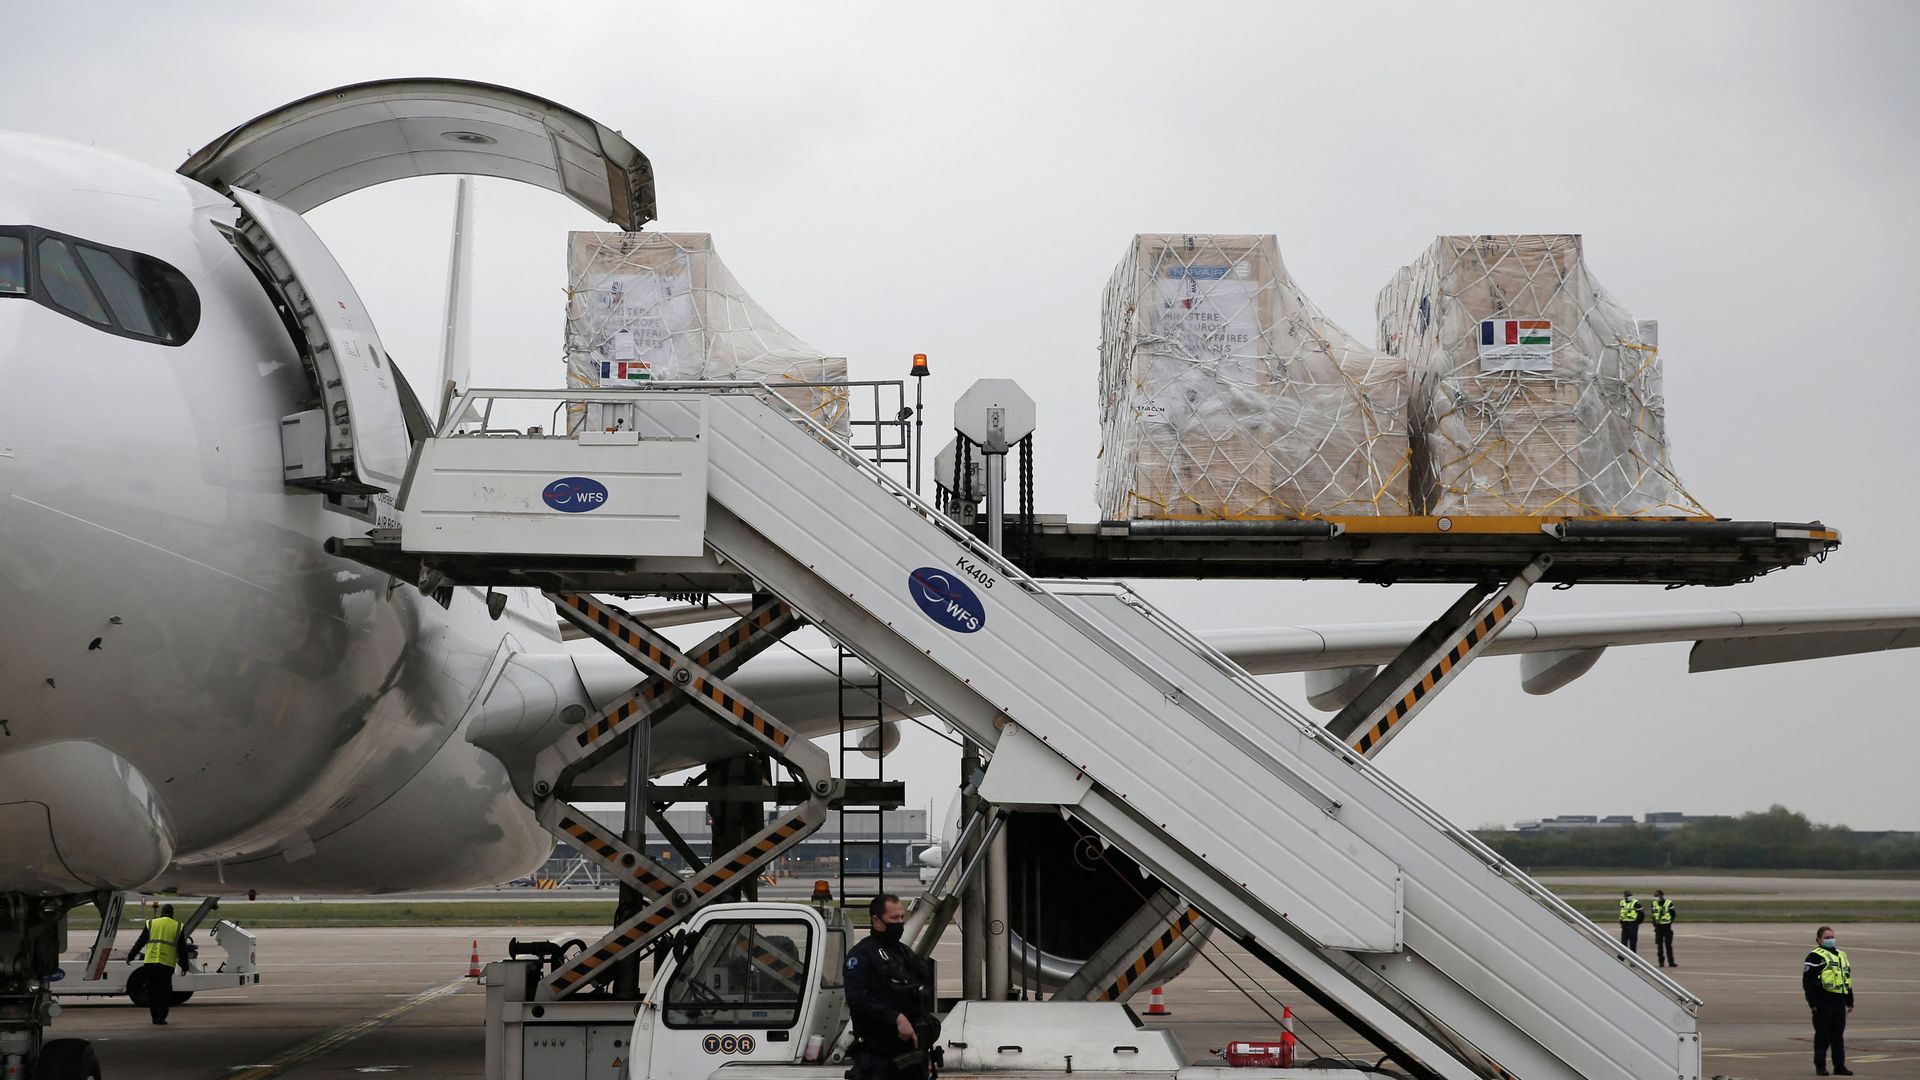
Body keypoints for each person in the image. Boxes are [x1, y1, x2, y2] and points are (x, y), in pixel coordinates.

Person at [845, 894, 937, 1080]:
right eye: (894, 918)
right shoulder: (862, 955)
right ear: (877, 921)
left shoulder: (904, 953)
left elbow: (916, 997)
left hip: (910, 1054)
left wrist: (925, 1052)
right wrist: (895, 1018)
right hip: (879, 1056)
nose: (900, 923)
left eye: (902, 917)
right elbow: (857, 998)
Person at [124, 903, 188, 1025]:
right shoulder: (177, 926)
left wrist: (131, 956)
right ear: (172, 913)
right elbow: (182, 949)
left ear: (161, 912)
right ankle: (161, 1017)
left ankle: (154, 1017)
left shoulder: (151, 923)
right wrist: (184, 965)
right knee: (164, 991)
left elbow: (140, 942)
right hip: (167, 963)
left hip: (151, 962)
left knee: (152, 990)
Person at [1802, 925, 1854, 1076]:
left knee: (1838, 1035)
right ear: (1819, 940)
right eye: (1827, 938)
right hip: (1823, 1001)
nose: (1831, 940)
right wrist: (1812, 1003)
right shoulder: (1814, 956)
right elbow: (1808, 982)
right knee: (1822, 1036)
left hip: (1838, 1001)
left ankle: (1839, 1066)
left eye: (1832, 937)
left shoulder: (1841, 955)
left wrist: (1849, 1001)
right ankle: (1820, 1066)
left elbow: (1846, 979)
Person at [1650, 889, 1677, 968]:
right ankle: (1661, 962)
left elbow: (1673, 914)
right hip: (1658, 927)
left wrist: (1669, 921)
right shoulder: (1654, 904)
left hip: (1667, 926)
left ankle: (1671, 962)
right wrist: (1655, 922)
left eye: (1656, 896)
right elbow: (1653, 914)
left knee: (1668, 944)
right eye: (1654, 896)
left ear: (1661, 895)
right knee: (1659, 945)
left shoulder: (1669, 903)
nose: (1655, 898)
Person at [1617, 890, 1643, 955]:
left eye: (1630, 896)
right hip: (1625, 924)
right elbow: (1621, 913)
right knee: (1623, 942)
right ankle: (1621, 957)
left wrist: (1637, 922)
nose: (1629, 897)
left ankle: (1633, 959)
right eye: (1628, 896)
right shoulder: (1622, 902)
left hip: (1633, 924)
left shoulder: (1636, 903)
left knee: (1633, 942)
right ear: (1625, 896)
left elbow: (1641, 914)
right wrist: (1621, 921)